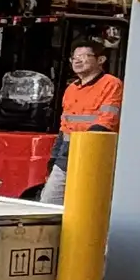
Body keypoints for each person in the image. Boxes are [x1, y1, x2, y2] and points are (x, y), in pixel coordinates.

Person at [40, 40, 122, 203]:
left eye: (83, 56)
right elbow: (65, 127)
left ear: (100, 60)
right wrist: (54, 158)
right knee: (49, 201)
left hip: (94, 153)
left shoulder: (111, 84)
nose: (77, 61)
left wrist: (83, 150)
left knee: (85, 205)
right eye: (74, 57)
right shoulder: (71, 89)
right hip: (67, 153)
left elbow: (106, 123)